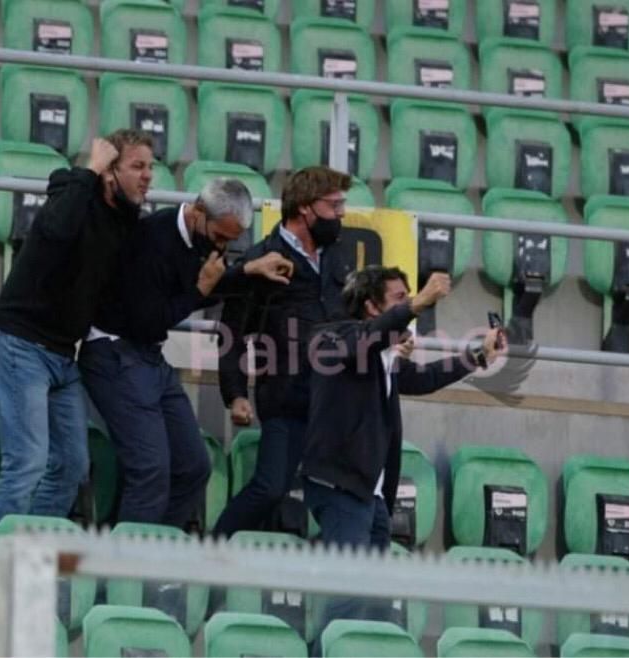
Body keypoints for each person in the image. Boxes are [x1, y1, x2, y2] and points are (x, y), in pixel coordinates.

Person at [0, 130, 154, 588]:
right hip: (19, 344)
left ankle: (25, 565)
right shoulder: (69, 191)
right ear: (110, 171)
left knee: (73, 465)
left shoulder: (127, 222)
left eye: (150, 168)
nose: (148, 177)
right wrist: (87, 171)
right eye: (137, 167)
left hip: (62, 355)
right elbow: (55, 233)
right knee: (27, 462)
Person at [79, 179, 294, 527]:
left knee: (193, 466)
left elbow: (208, 284)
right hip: (114, 351)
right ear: (197, 214)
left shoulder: (200, 238)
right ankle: (124, 574)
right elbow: (151, 318)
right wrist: (200, 290)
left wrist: (248, 272)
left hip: (148, 356)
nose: (223, 246)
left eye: (230, 240)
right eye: (221, 237)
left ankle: (157, 557)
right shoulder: (150, 240)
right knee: (150, 470)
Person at [302, 265, 502, 634]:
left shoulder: (384, 355)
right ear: (370, 307)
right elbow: (364, 339)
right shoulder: (332, 336)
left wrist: (478, 356)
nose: (409, 305)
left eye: (410, 297)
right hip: (341, 486)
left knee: (373, 597)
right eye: (400, 299)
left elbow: (423, 378)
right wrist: (420, 303)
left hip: (371, 494)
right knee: (349, 593)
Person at [214, 165, 353, 538]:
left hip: (335, 399)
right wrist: (236, 393)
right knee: (271, 488)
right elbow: (232, 330)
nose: (341, 214)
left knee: (349, 497)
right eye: (334, 205)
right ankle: (209, 553)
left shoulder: (336, 256)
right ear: (306, 208)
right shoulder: (262, 257)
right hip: (287, 395)